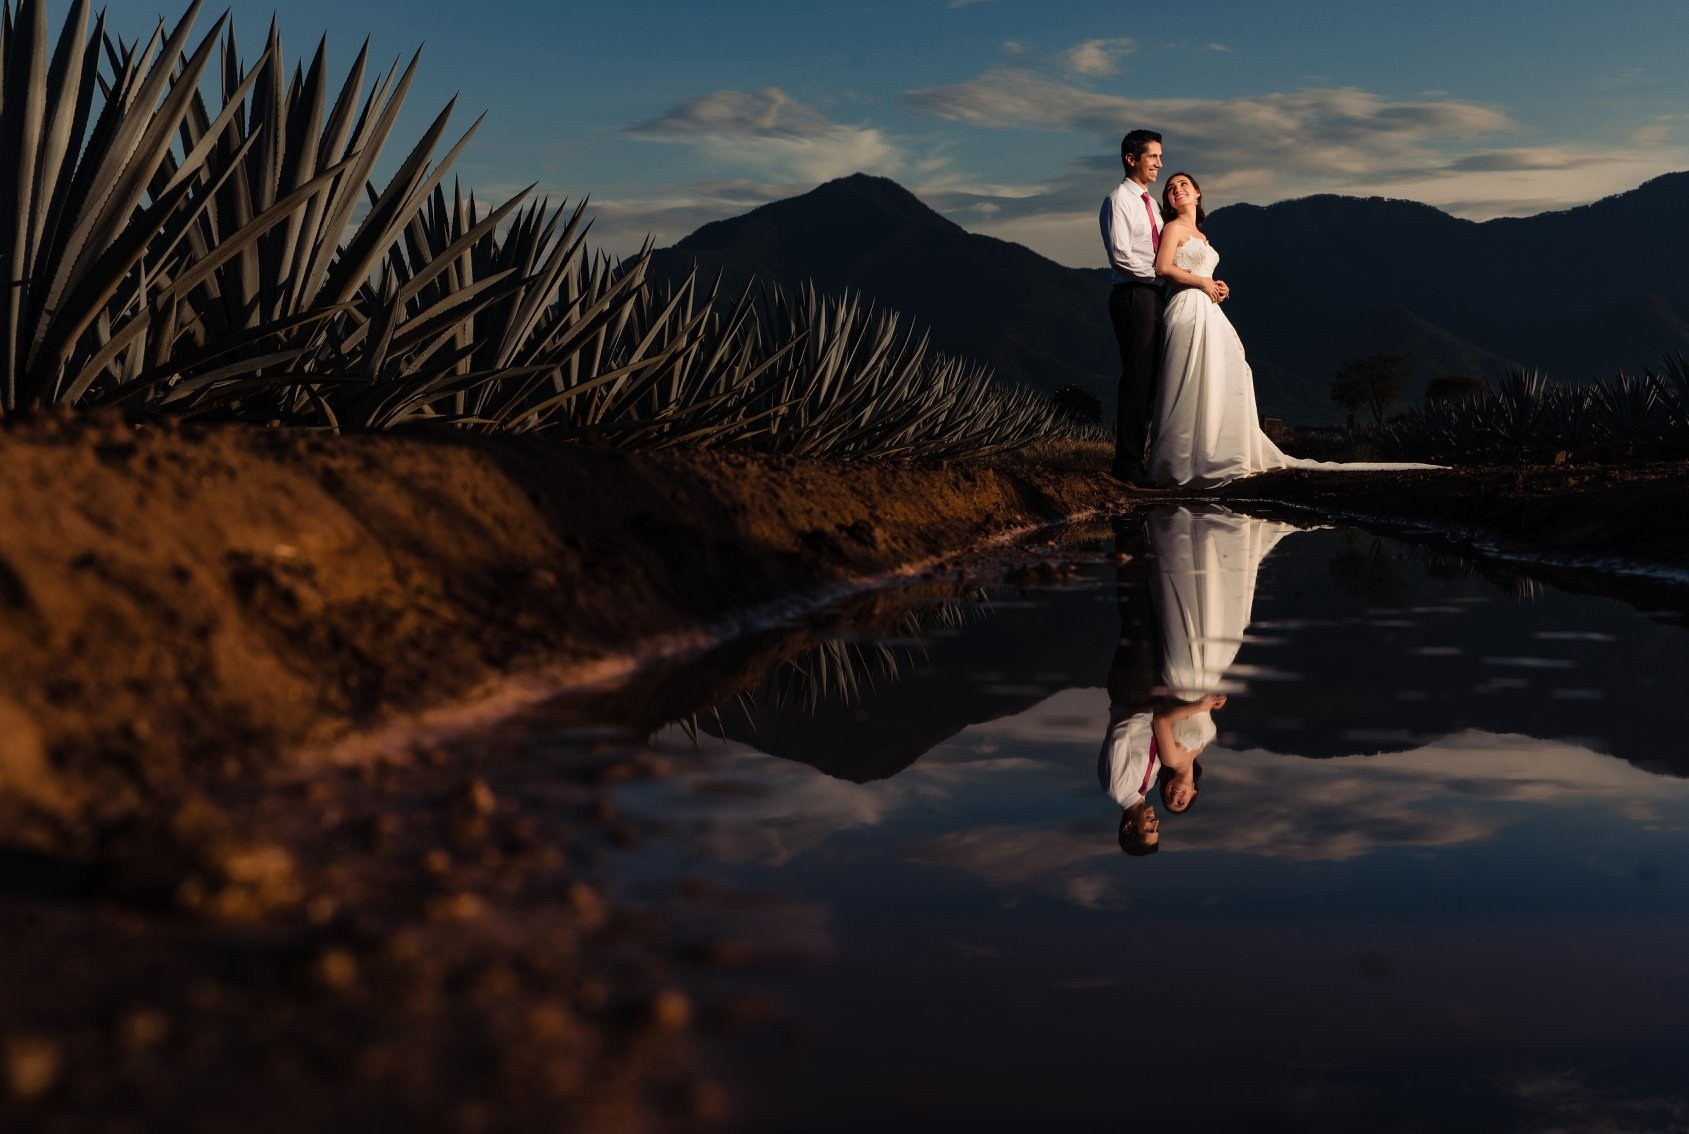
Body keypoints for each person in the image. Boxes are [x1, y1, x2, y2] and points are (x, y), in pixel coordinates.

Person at [1148, 171, 1442, 488]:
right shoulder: (1174, 228)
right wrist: (1203, 282)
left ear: (1197, 194)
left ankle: (1209, 451)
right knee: (1187, 379)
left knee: (1220, 376)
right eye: (1170, 188)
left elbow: (1195, 270)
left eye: (1183, 185)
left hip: (1207, 307)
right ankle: (1178, 461)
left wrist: (1215, 285)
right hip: (1187, 308)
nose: (1176, 190)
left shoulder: (1199, 234)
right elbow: (1163, 268)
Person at [1100, 129, 1166, 484]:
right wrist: (1160, 276)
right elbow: (1121, 256)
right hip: (1133, 295)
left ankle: (1142, 459)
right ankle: (1126, 464)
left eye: (1159, 156)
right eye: (1153, 156)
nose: (1160, 163)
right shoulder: (1117, 201)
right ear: (1131, 159)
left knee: (1153, 380)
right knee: (1137, 379)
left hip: (1154, 295)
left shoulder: (1152, 204)